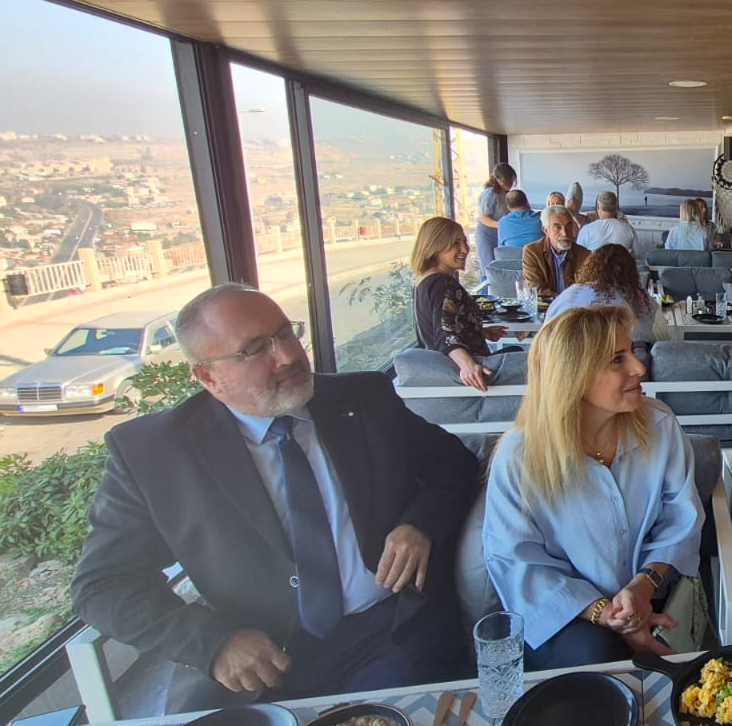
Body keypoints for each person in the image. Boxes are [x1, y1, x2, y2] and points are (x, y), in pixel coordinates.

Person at [71, 284, 478, 712]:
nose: (287, 356)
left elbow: (454, 463)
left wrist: (419, 524)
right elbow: (102, 585)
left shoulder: (363, 398)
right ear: (208, 377)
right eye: (254, 350)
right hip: (258, 660)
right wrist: (212, 643)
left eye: (285, 333)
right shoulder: (153, 453)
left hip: (389, 632)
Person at [483, 306, 702, 669]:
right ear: (572, 376)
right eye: (617, 359)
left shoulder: (659, 424)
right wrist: (606, 613)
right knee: (600, 656)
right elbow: (517, 561)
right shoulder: (519, 457)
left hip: (655, 593)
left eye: (631, 351)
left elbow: (681, 518)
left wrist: (642, 587)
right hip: (566, 614)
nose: (639, 367)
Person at [411, 216, 510, 390]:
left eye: (464, 241)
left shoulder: (423, 281)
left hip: (441, 371)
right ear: (435, 247)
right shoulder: (442, 283)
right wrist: (468, 366)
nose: (465, 249)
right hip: (466, 376)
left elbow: (440, 324)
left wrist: (481, 332)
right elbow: (444, 335)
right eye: (455, 243)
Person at [548, 244, 663, 343]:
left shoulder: (566, 295)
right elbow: (656, 333)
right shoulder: (634, 297)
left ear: (590, 266)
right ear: (631, 272)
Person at [522, 204, 591, 298]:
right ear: (546, 230)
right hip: (547, 306)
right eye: (558, 227)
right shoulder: (532, 252)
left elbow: (587, 289)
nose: (565, 233)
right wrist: (562, 301)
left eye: (568, 226)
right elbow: (536, 289)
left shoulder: (584, 254)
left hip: (575, 306)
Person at [476, 163, 516, 277]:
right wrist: (501, 224)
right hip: (486, 233)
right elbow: (484, 218)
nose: (510, 183)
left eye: (512, 180)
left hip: (498, 232)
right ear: (498, 179)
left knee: (500, 265)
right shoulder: (490, 193)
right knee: (489, 266)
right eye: (507, 180)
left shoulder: (505, 194)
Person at [578, 191, 640, 256]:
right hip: (621, 262)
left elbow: (577, 256)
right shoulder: (629, 229)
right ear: (616, 207)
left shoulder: (586, 230)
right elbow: (638, 255)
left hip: (595, 262)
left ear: (598, 206)